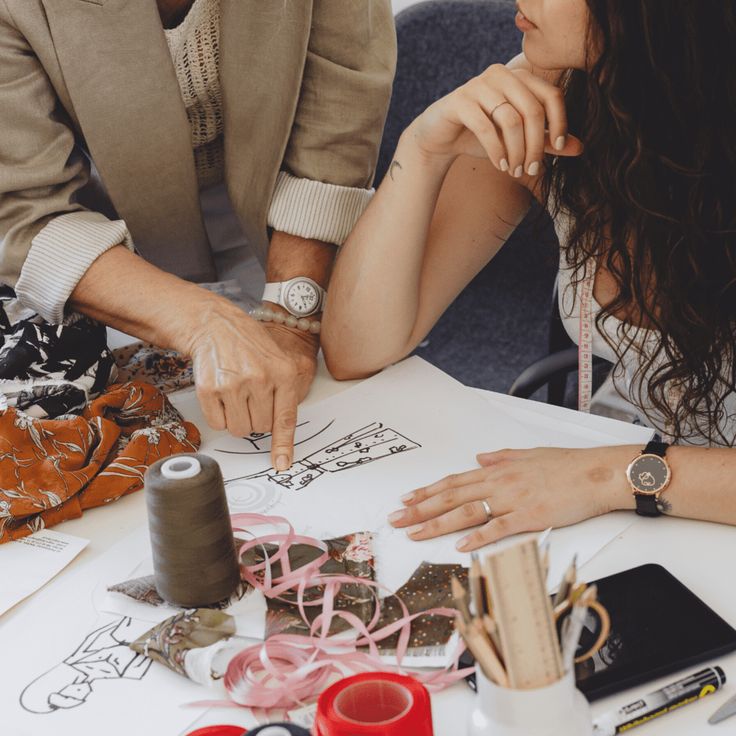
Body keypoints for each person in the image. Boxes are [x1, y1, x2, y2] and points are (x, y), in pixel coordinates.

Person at [322, 0, 736, 551]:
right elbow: (357, 349)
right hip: (652, 484)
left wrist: (604, 477)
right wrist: (423, 148)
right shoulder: (556, 96)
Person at [0, 0, 396, 470]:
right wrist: (205, 321)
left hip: (290, 210)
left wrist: (291, 311)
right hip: (104, 241)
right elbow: (24, 205)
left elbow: (339, 117)